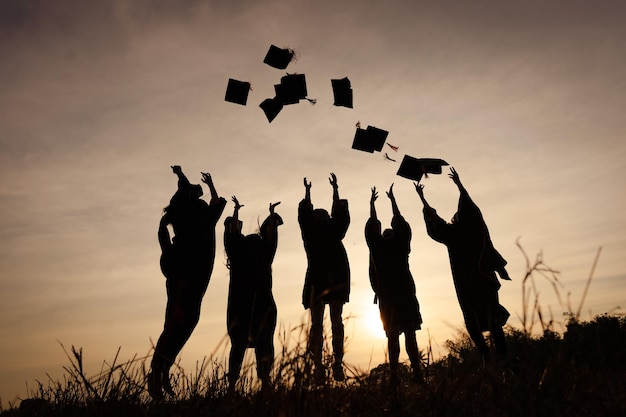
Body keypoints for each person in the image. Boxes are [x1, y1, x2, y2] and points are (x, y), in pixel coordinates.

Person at [415, 167, 510, 362]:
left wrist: (458, 185)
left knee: (488, 316)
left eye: (455, 216)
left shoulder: (463, 232)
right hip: (476, 281)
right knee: (480, 317)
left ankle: (498, 354)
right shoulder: (455, 234)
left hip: (476, 280)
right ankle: (491, 354)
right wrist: (423, 198)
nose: (453, 218)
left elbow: (461, 211)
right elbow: (436, 218)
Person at [149, 166, 227, 400]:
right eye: (197, 188)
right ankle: (156, 372)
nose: (200, 190)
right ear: (190, 194)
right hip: (185, 270)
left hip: (196, 271)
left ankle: (163, 369)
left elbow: (215, 203)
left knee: (185, 321)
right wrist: (181, 176)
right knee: (177, 321)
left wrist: (208, 184)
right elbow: (190, 193)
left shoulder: (199, 212)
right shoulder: (189, 209)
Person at [365, 184, 423, 383]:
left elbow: (400, 224)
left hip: (405, 294)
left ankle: (417, 373)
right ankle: (394, 375)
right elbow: (373, 228)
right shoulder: (378, 251)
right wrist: (372, 205)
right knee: (392, 336)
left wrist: (393, 202)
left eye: (391, 232)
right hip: (389, 298)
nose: (388, 233)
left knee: (410, 334)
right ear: (382, 237)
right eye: (385, 232)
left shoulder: (401, 248)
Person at [223, 197, 283, 391]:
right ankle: (237, 384)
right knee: (244, 344)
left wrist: (272, 216)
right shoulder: (242, 253)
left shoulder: (254, 252)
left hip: (255, 305)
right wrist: (235, 212)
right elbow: (233, 234)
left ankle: (260, 383)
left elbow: (270, 236)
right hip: (247, 305)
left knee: (257, 343)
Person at [298, 173, 350, 381]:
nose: (320, 214)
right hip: (317, 279)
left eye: (323, 213)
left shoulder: (334, 231)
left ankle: (337, 363)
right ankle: (318, 365)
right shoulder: (310, 234)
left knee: (336, 321)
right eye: (317, 213)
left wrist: (335, 188)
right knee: (317, 324)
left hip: (336, 277)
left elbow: (339, 213)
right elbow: (305, 214)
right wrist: (307, 191)